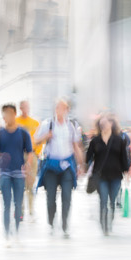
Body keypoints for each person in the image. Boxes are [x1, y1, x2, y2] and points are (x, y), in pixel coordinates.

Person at [35, 99, 84, 237]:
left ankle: (65, 225)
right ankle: (51, 222)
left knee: (67, 196)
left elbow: (76, 146)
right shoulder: (47, 124)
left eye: (63, 108)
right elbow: (36, 140)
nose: (60, 110)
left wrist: (80, 164)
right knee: (50, 197)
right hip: (51, 165)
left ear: (67, 110)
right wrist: (46, 136)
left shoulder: (71, 125)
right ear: (55, 109)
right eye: (58, 107)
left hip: (67, 165)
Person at [0, 104, 33, 246]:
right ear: (3, 116)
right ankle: (7, 234)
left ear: (14, 114)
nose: (8, 116)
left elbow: (30, 151)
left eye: (10, 113)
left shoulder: (23, 133)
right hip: (4, 173)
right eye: (5, 114)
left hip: (19, 173)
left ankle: (17, 232)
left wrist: (28, 164)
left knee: (18, 204)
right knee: (7, 205)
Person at [85, 114, 129, 236]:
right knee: (103, 200)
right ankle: (103, 224)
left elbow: (123, 158)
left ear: (111, 124)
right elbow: (88, 157)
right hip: (100, 176)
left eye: (105, 123)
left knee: (112, 201)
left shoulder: (119, 140)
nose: (103, 125)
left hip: (116, 175)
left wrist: (127, 171)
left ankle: (110, 220)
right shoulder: (95, 141)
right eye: (101, 124)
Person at [16, 100, 42, 221]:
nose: (25, 108)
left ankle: (31, 209)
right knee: (20, 183)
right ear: (20, 108)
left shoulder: (35, 123)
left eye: (27, 106)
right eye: (23, 106)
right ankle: (20, 210)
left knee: (30, 184)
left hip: (32, 156)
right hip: (19, 156)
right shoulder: (15, 122)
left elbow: (40, 139)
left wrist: (36, 153)